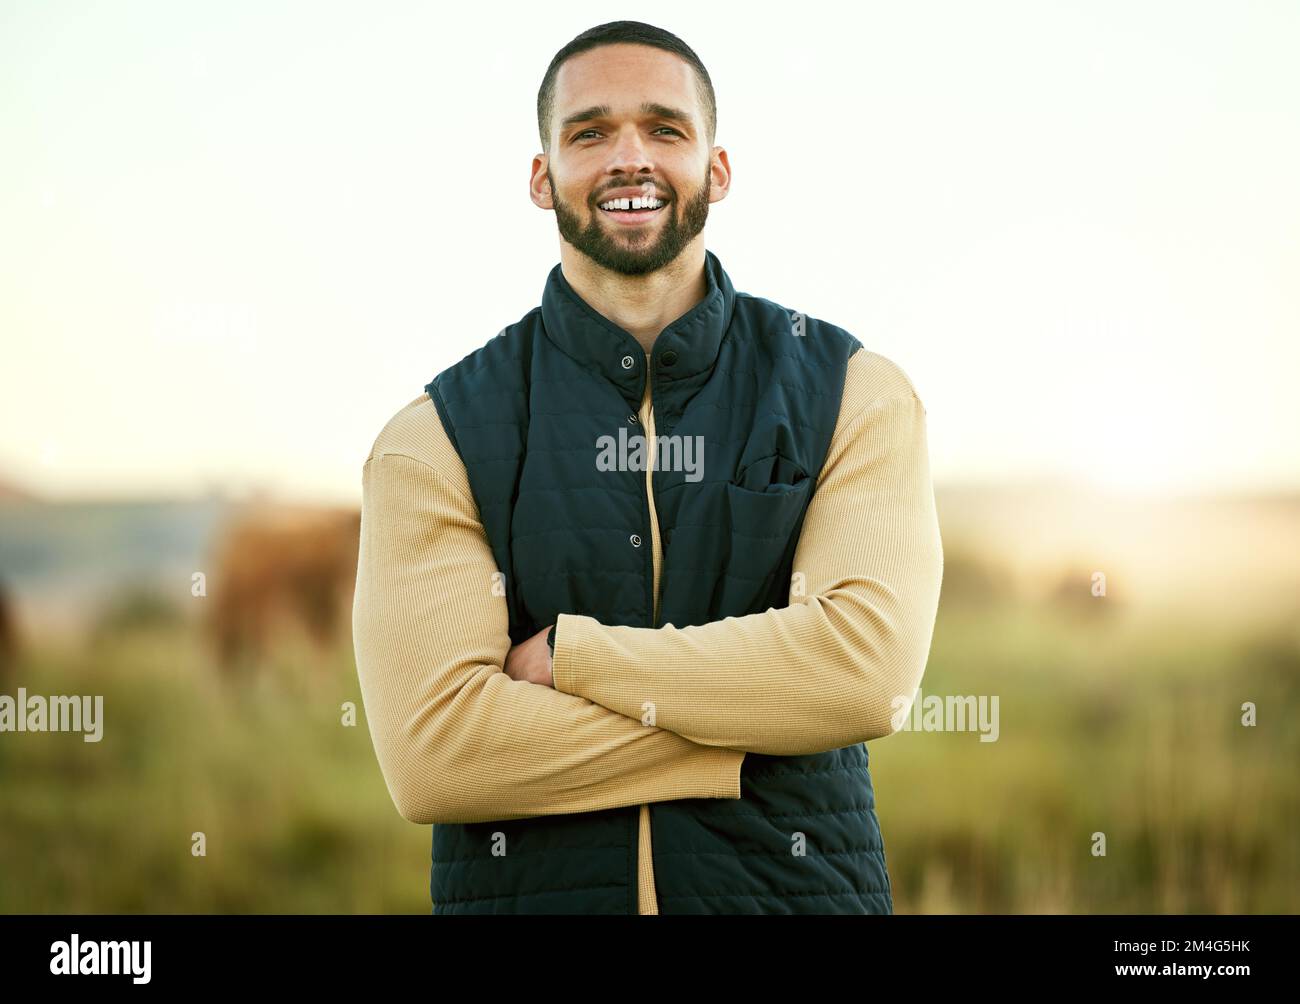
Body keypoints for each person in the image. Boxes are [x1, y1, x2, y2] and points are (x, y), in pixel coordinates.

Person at [352, 20, 944, 914]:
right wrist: (755, 728)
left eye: (665, 129)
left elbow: (866, 673)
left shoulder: (854, 392)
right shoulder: (433, 436)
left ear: (717, 169)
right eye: (590, 133)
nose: (630, 158)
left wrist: (571, 656)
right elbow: (437, 754)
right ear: (542, 178)